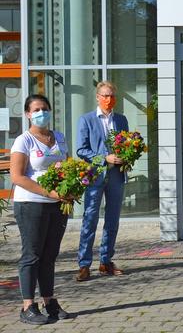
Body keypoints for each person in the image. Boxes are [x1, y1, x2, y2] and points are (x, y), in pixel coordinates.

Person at [9, 94, 73, 324]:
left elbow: (69, 167)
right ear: (28, 114)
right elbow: (16, 177)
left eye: (45, 108)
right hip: (30, 204)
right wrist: (48, 192)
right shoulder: (23, 140)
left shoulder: (59, 138)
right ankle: (28, 306)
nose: (41, 113)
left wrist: (72, 187)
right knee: (32, 255)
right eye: (36, 109)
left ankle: (49, 301)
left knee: (49, 256)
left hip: (57, 205)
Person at [76, 81, 130, 281]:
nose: (109, 100)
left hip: (116, 175)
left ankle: (106, 261)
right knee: (90, 218)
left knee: (112, 219)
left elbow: (127, 144)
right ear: (98, 97)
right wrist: (103, 158)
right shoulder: (87, 120)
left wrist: (126, 156)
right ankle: (84, 264)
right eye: (105, 96)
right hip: (95, 175)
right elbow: (81, 150)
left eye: (112, 96)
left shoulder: (121, 120)